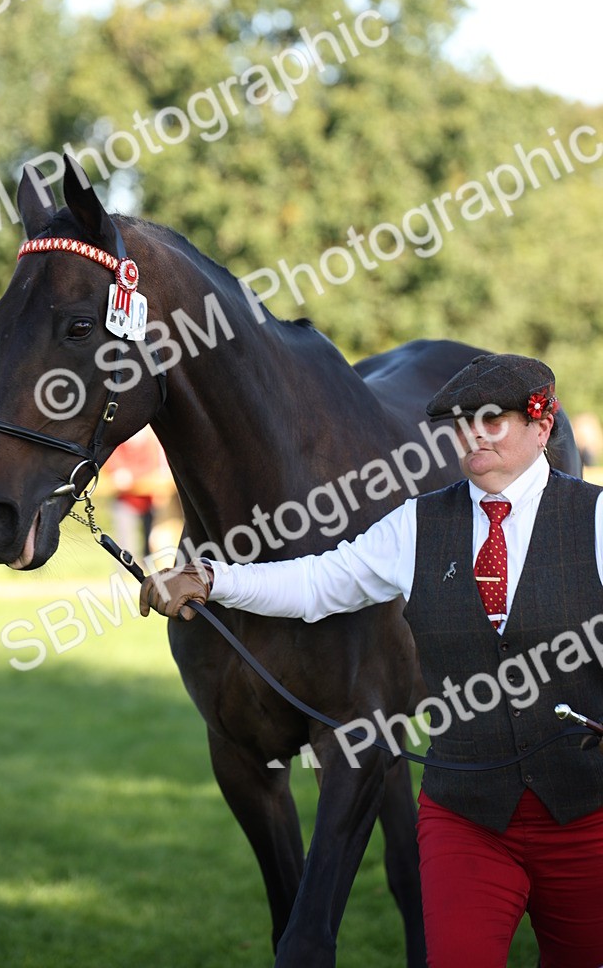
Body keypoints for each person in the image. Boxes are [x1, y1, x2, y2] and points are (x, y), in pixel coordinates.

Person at [139, 354, 603, 968]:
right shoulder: (416, 523)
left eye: (493, 420)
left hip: (583, 812)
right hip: (464, 815)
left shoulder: (594, 519)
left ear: (541, 428)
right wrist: (210, 579)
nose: (474, 435)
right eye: (463, 423)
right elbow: (317, 584)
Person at [103, 426, 171, 559]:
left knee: (153, 541)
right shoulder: (119, 445)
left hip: (152, 500)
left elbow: (156, 472)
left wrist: (133, 478)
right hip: (125, 500)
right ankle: (125, 572)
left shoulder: (151, 442)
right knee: (125, 543)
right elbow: (118, 476)